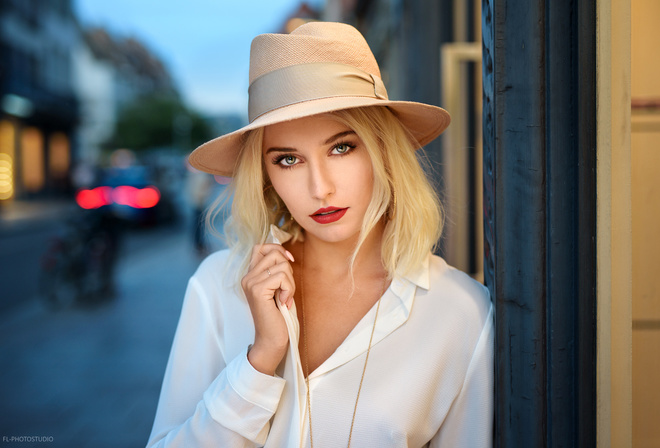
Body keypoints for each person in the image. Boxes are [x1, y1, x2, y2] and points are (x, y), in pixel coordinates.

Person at [147, 21, 493, 448]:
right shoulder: (216, 287)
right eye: (288, 160)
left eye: (342, 147)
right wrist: (259, 363)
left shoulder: (462, 313)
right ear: (266, 176)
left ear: (383, 151)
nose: (320, 188)